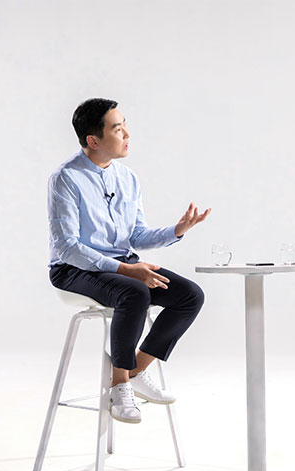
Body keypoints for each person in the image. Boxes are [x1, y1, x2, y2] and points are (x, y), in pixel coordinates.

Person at [47, 98, 210, 424]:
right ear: (93, 140)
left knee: (189, 295)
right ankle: (118, 385)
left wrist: (176, 230)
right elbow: (67, 247)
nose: (127, 135)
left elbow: (135, 235)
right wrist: (125, 269)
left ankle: (135, 371)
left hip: (122, 263)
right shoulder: (66, 178)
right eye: (118, 129)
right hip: (73, 269)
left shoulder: (127, 178)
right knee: (134, 292)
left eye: (125, 126)